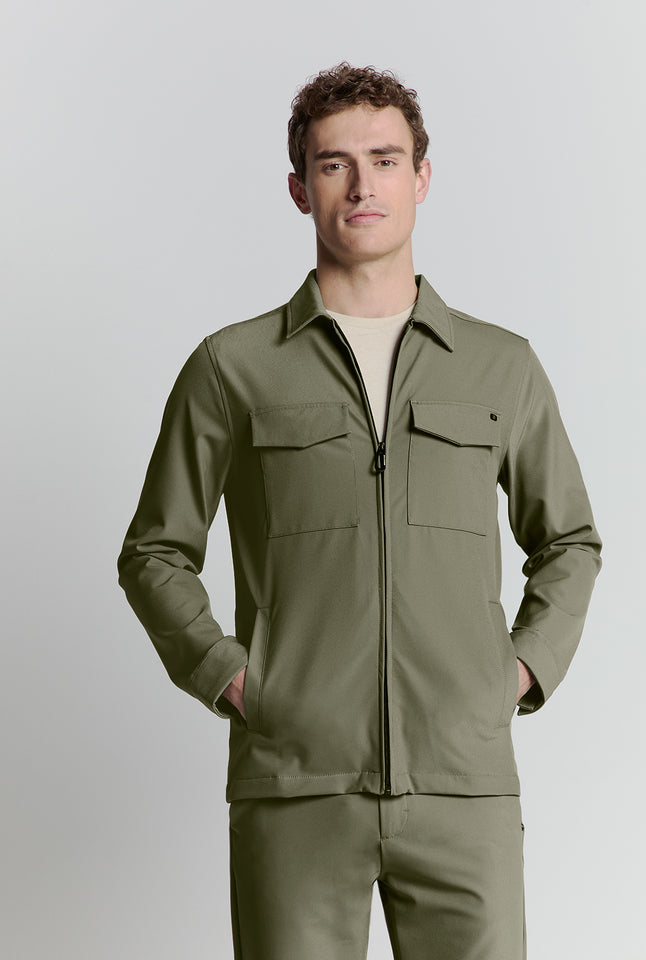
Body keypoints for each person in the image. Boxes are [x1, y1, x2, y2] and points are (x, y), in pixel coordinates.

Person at [118, 62, 602, 960]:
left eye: (385, 159)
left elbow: (569, 539)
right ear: (299, 188)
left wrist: (516, 673)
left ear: (422, 177)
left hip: (462, 785)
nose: (362, 185)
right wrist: (233, 676)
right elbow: (154, 551)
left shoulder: (501, 366)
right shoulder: (233, 367)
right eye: (334, 163)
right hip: (295, 782)